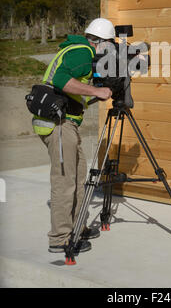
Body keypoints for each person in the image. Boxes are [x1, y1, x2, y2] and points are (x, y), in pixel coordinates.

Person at [32, 18, 115, 254]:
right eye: (109, 44)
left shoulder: (77, 50)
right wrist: (96, 90)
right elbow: (60, 81)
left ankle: (77, 226)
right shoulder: (82, 50)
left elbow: (69, 90)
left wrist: (92, 94)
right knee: (65, 182)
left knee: (78, 178)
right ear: (100, 41)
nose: (110, 50)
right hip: (58, 125)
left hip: (65, 124)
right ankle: (59, 238)